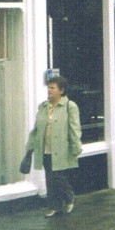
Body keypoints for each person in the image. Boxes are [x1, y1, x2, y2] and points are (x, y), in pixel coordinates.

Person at [25, 75, 82, 217]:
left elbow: (75, 128)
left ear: (61, 90)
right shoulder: (43, 106)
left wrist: (76, 147)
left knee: (58, 177)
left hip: (61, 149)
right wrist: (30, 146)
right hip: (44, 149)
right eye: (48, 88)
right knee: (49, 178)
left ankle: (69, 197)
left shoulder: (70, 106)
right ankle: (55, 206)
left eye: (52, 88)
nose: (49, 90)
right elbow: (36, 128)